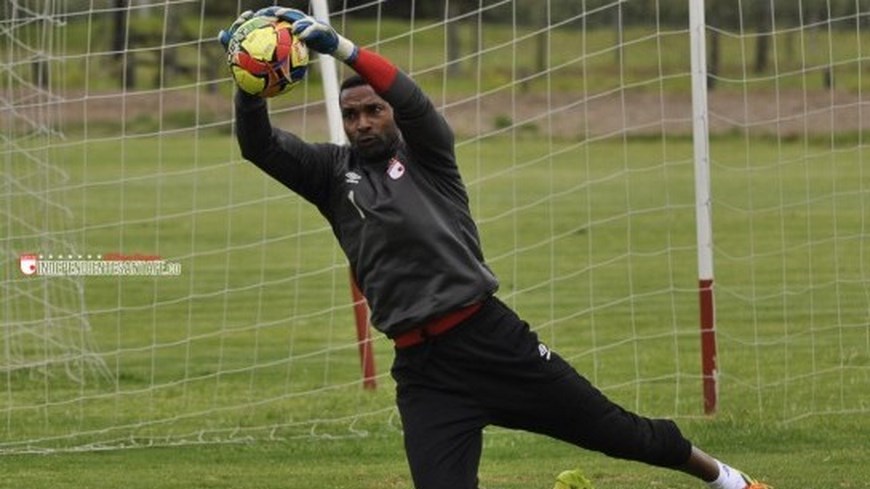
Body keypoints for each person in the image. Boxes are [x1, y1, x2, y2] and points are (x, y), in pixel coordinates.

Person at [219, 8, 770, 489]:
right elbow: (259, 146)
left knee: (615, 431)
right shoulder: (329, 172)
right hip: (423, 371)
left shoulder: (429, 155)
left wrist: (343, 50)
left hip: (491, 340)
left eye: (374, 111)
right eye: (352, 115)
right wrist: (247, 83)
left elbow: (411, 96)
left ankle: (726, 478)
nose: (363, 122)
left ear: (392, 115)